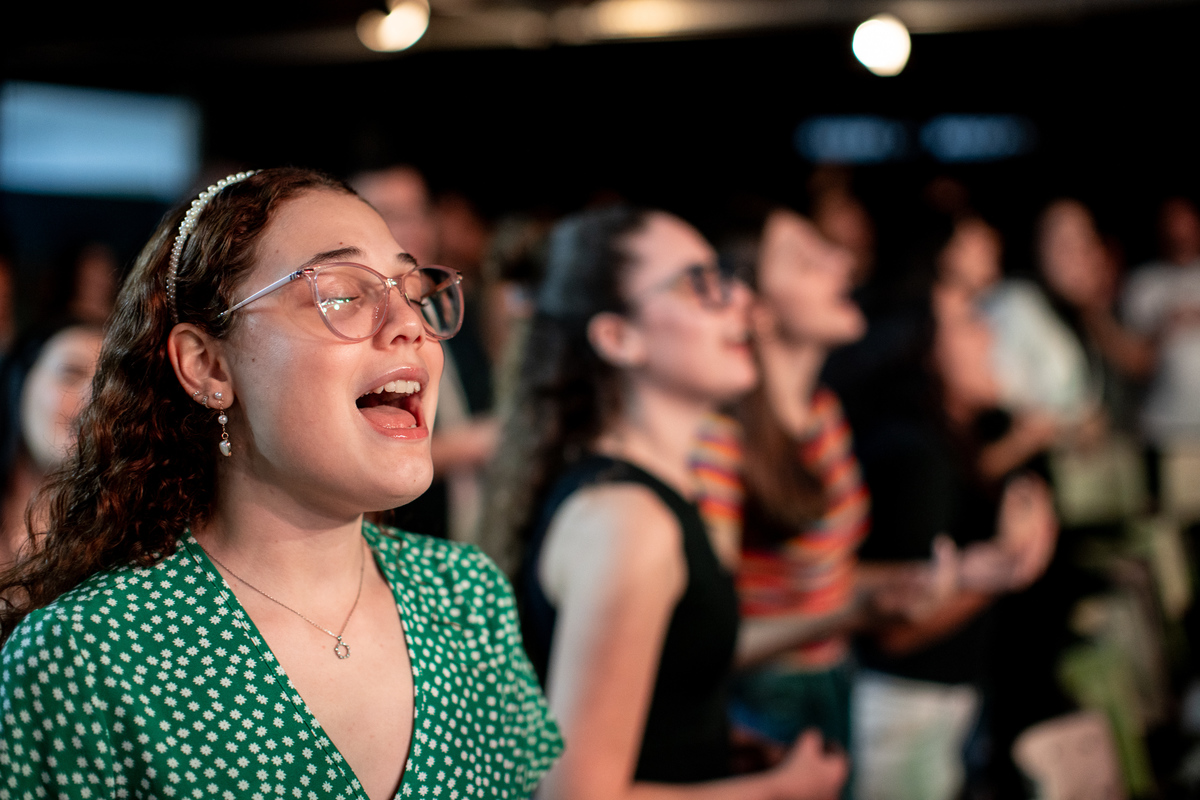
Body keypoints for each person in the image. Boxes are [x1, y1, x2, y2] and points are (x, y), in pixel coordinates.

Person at [0, 167, 562, 799]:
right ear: (209, 364)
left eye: (411, 289)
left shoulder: (467, 598)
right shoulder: (84, 656)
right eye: (344, 294)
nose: (411, 323)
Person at [484, 205, 847, 800]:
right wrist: (782, 790)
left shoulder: (648, 494)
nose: (742, 303)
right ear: (617, 337)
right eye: (700, 284)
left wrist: (712, 743)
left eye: (727, 278)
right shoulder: (628, 522)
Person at [0, 318, 103, 569]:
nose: (92, 398)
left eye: (106, 385)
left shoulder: (120, 543)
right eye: (71, 373)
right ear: (20, 381)